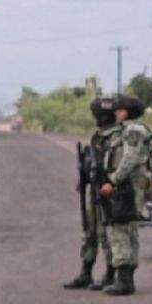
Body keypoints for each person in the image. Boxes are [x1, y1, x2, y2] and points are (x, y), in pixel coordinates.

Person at [99, 94, 152, 296]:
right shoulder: (131, 129)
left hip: (129, 185)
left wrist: (113, 180)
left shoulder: (133, 130)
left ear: (129, 112)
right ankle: (125, 278)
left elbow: (129, 159)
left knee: (120, 228)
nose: (116, 113)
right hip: (131, 184)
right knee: (127, 229)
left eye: (120, 110)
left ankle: (124, 279)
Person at [63, 97, 117, 290]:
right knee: (89, 232)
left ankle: (110, 274)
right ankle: (86, 272)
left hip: (107, 190)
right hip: (93, 188)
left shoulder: (116, 137)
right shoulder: (98, 136)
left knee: (105, 233)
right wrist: (84, 176)